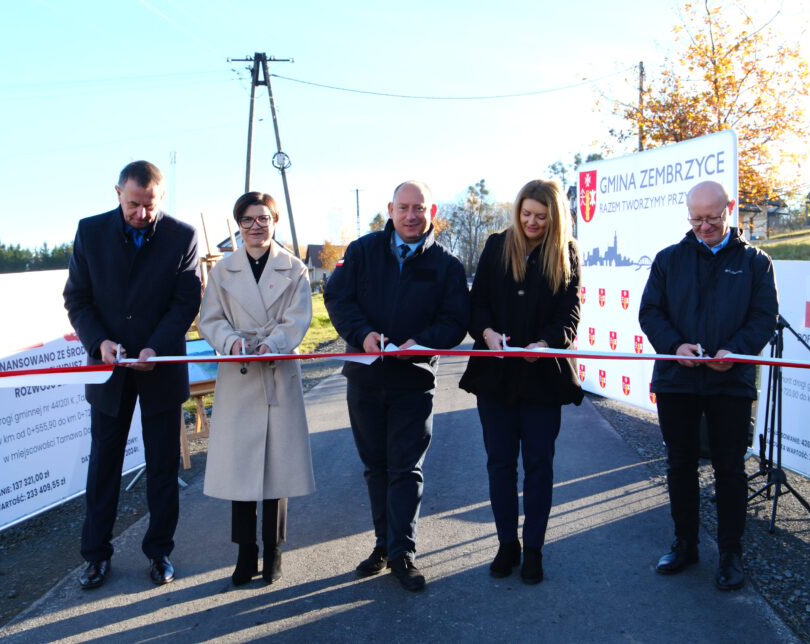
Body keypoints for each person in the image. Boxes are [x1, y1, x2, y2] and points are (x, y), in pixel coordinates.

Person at [324, 180, 469, 592]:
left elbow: (455, 321)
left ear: (431, 211)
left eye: (418, 208)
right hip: (365, 378)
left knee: (406, 469)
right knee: (376, 467)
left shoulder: (447, 265)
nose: (410, 215)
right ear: (390, 210)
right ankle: (383, 545)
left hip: (414, 381)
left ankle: (403, 552)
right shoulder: (362, 251)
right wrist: (362, 333)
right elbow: (338, 299)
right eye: (403, 207)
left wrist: (421, 343)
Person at [63, 160, 201, 589]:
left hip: (160, 367)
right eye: (133, 204)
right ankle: (95, 556)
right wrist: (98, 343)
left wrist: (156, 347)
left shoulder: (182, 236)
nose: (141, 213)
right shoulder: (89, 232)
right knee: (103, 465)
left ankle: (159, 553)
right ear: (117, 193)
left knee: (162, 465)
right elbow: (77, 299)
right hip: (109, 370)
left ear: (161, 197)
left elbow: (185, 302)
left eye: (149, 205)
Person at [638, 179, 778, 591]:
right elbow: (650, 312)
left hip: (730, 381)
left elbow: (764, 317)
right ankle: (685, 544)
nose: (704, 227)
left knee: (729, 469)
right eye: (696, 220)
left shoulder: (756, 262)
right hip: (677, 380)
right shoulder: (668, 259)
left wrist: (736, 350)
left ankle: (731, 553)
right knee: (680, 464)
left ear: (729, 208)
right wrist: (674, 346)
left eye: (712, 218)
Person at [458, 179, 582, 584]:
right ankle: (506, 544)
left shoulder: (567, 252)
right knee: (500, 464)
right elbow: (477, 303)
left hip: (543, 379)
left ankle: (534, 550)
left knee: (539, 466)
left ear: (555, 217)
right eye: (526, 213)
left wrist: (546, 343)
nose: (532, 222)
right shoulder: (497, 245)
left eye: (541, 216)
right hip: (496, 378)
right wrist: (487, 333)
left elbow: (570, 313)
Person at [198, 191, 315, 587]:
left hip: (277, 373)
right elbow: (210, 319)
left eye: (263, 218)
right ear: (238, 225)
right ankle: (245, 553)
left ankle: (274, 551)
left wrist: (274, 343)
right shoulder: (222, 271)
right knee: (240, 470)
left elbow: (299, 317)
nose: (255, 226)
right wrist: (231, 342)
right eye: (247, 219)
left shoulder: (294, 268)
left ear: (274, 221)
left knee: (277, 469)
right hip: (239, 373)